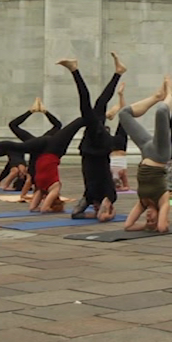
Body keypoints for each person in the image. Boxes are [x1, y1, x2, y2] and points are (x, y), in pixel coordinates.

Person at [0, 61, 111, 215]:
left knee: (84, 118)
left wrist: (46, 207)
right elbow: (36, 207)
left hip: (51, 148)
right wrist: (44, 207)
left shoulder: (51, 188)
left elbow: (38, 208)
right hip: (47, 149)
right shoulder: (42, 187)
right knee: (22, 147)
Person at [68, 54, 125, 222]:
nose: (94, 208)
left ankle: (118, 73)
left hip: (91, 147)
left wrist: (91, 213)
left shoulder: (89, 196)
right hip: (98, 147)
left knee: (99, 105)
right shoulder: (109, 195)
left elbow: (75, 214)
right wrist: (108, 212)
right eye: (98, 208)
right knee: (86, 109)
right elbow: (103, 217)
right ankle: (74, 70)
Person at [118, 76, 172, 233]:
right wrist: (157, 225)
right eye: (152, 219)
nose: (148, 217)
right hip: (161, 154)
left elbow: (127, 226)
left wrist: (145, 226)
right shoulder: (163, 200)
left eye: (147, 219)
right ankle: (171, 94)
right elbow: (162, 228)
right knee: (162, 111)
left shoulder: (142, 203)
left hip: (145, 151)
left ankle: (156, 97)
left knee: (123, 114)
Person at [105, 83, 130, 191]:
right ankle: (119, 98)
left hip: (117, 149)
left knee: (125, 118)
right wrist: (119, 189)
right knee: (124, 118)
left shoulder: (121, 173)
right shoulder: (113, 174)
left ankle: (120, 98)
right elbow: (126, 187)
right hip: (112, 150)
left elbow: (126, 187)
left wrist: (120, 189)